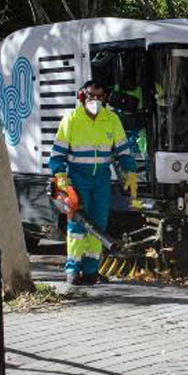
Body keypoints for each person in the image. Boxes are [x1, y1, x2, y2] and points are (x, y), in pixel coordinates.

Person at [49, 80, 138, 285]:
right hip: (78, 179)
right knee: (78, 225)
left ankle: (91, 271)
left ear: (104, 98)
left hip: (101, 181)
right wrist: (61, 178)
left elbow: (123, 151)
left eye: (99, 97)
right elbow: (56, 156)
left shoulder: (112, 119)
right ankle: (72, 269)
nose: (95, 101)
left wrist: (130, 172)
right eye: (91, 96)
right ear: (82, 97)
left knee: (98, 226)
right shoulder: (71, 119)